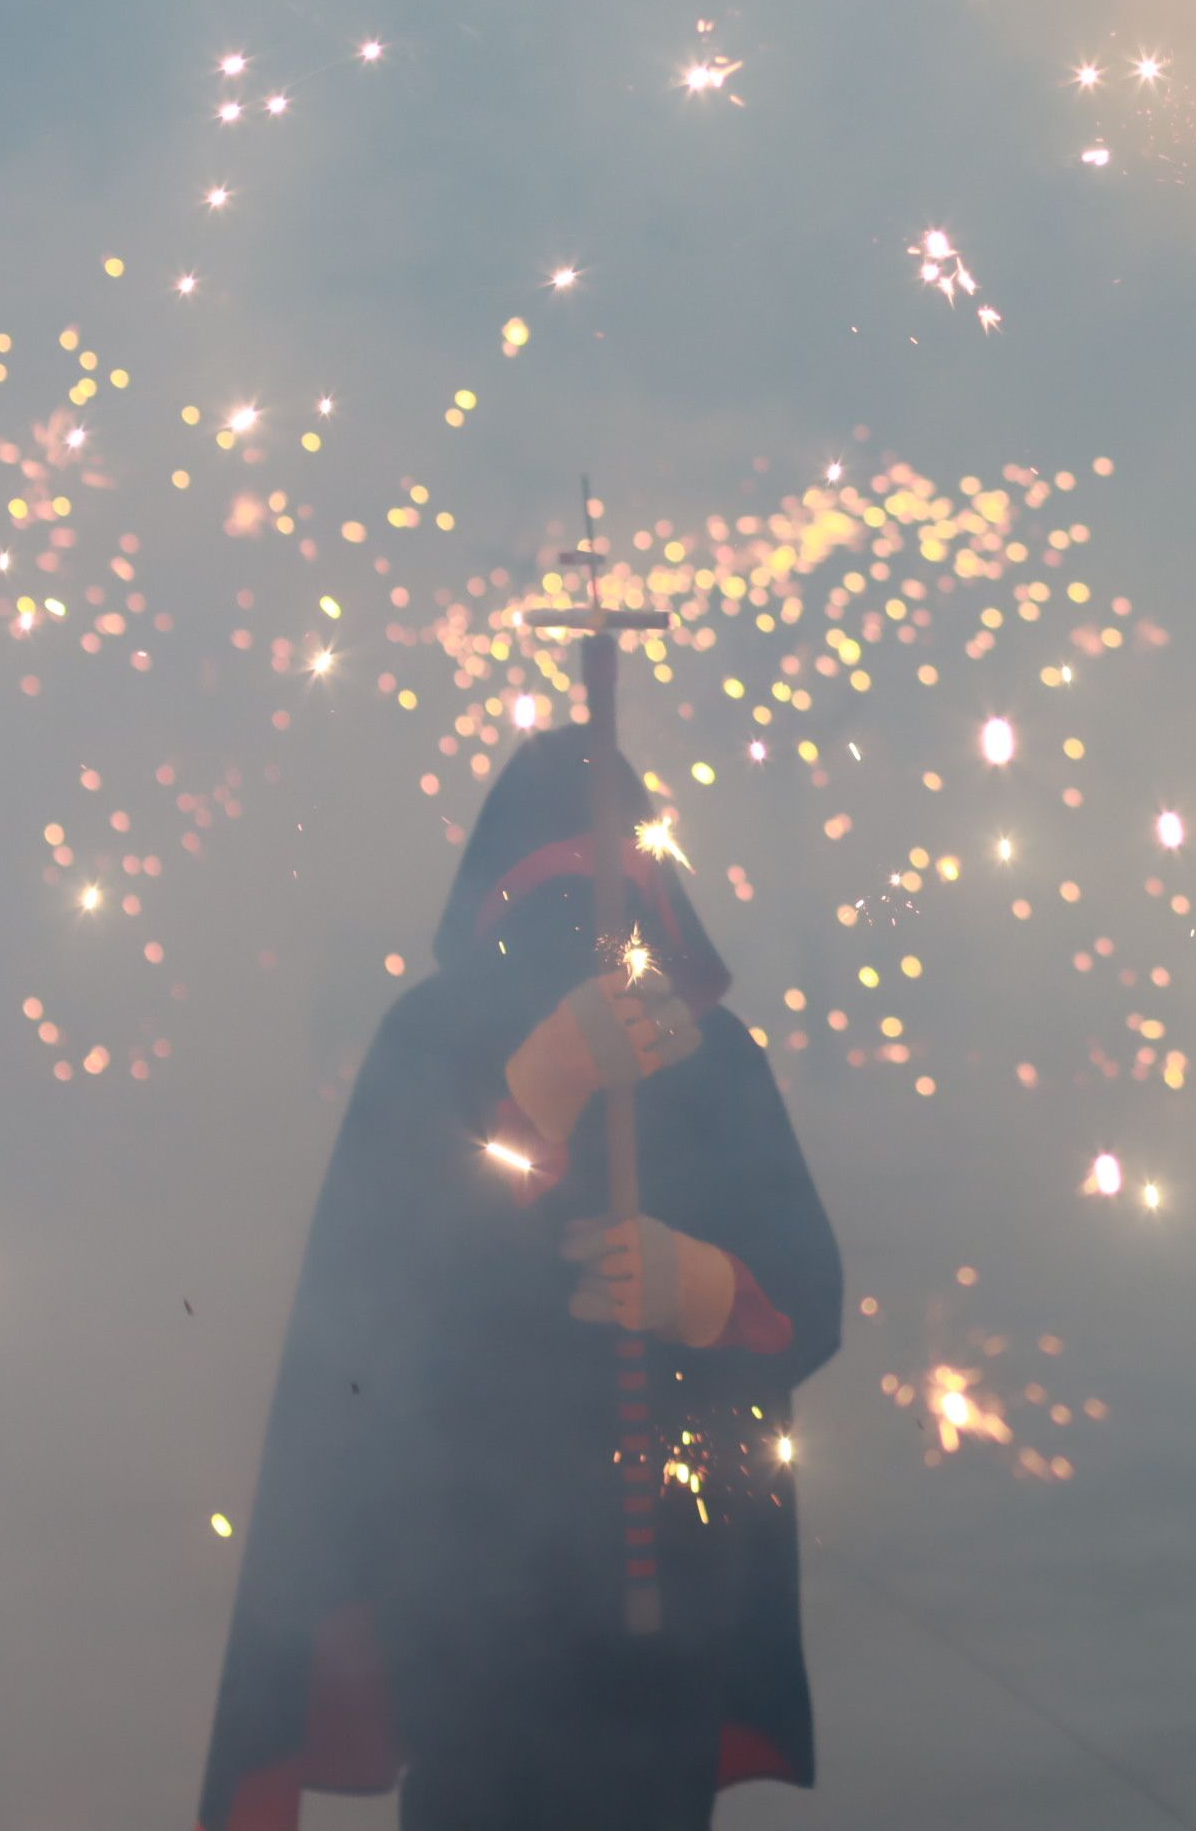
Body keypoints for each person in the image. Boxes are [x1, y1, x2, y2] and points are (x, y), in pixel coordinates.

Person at [197, 731, 843, 1831]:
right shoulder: (432, 1040)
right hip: (469, 1595)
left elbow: (808, 1295)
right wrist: (532, 1101)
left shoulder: (706, 1050)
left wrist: (699, 1283)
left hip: (667, 1595)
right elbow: (382, 1295)